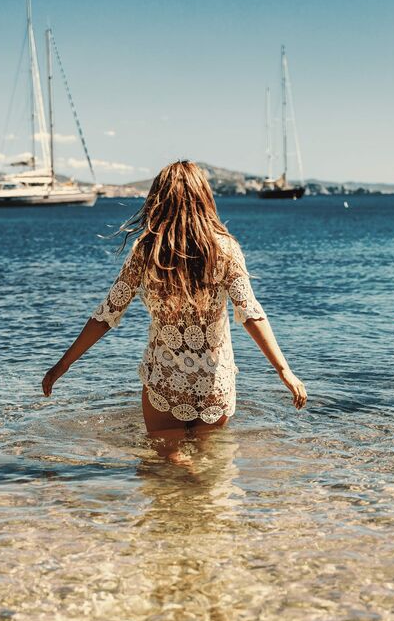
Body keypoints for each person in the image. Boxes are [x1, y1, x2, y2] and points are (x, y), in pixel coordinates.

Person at [41, 160, 306, 437]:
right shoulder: (225, 249)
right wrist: (284, 371)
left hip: (166, 381)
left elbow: (107, 315)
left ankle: (181, 470)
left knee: (166, 463)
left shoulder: (147, 251)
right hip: (214, 383)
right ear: (204, 198)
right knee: (211, 469)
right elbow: (250, 313)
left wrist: (63, 365)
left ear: (158, 200)